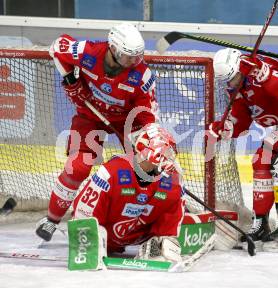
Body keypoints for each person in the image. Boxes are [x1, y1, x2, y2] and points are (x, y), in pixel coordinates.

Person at [36, 23, 159, 242]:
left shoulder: (141, 75)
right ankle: (51, 220)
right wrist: (70, 79)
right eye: (127, 56)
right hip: (90, 116)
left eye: (137, 57)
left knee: (148, 168)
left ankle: (154, 221)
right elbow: (57, 46)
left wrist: (150, 142)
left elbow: (147, 116)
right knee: (77, 167)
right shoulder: (89, 52)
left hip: (126, 121)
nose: (133, 62)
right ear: (113, 48)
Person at [209, 48, 278, 252]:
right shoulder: (237, 85)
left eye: (231, 78)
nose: (229, 84)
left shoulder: (264, 74)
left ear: (240, 69)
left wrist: (264, 76)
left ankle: (262, 225)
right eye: (225, 80)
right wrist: (227, 127)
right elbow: (242, 118)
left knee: (264, 159)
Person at [72, 124, 184, 262]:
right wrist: (86, 246)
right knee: (90, 239)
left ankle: (154, 248)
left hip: (138, 238)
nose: (169, 158)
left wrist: (166, 239)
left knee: (166, 243)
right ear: (152, 153)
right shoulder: (110, 173)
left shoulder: (172, 182)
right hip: (105, 238)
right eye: (166, 152)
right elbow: (84, 213)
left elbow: (170, 220)